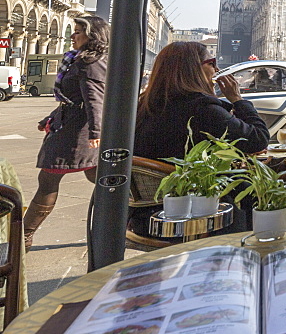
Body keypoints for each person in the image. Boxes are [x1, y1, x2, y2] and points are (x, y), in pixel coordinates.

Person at [23, 16, 109, 250]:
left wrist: (96, 132)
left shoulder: (90, 62)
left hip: (77, 132)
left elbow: (94, 100)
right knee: (99, 178)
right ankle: (125, 217)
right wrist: (49, 117)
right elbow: (71, 98)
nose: (73, 36)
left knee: (50, 178)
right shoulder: (78, 59)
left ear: (92, 36)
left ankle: (23, 237)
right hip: (70, 125)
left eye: (79, 31)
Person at [134, 41, 269, 160]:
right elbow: (259, 139)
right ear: (193, 69)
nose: (217, 69)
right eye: (211, 63)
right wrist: (237, 99)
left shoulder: (145, 105)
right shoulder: (202, 109)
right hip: (194, 187)